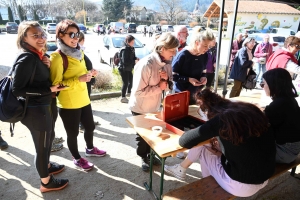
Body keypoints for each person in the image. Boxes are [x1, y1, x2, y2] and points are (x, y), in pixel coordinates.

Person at [164, 89, 276, 197]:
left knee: (203, 147)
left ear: (206, 110)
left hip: (242, 185)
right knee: (211, 146)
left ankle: (207, 189)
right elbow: (247, 144)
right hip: (265, 176)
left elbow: (184, 141)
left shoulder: (221, 119)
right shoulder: (249, 109)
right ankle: (182, 169)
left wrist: (200, 130)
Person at [12, 21, 68, 192]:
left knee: (48, 141)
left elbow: (37, 80)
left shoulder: (36, 56)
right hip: (36, 112)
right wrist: (49, 89)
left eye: (42, 34)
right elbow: (18, 90)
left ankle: (48, 166)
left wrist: (47, 67)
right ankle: (46, 182)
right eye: (35, 35)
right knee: (42, 147)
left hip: (44, 107)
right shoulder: (26, 57)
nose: (41, 38)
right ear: (24, 38)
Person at [50, 19, 106, 172]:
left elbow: (81, 75)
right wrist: (78, 79)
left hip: (84, 99)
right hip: (68, 103)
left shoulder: (79, 51)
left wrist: (90, 74)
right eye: (72, 34)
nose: (75, 38)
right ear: (61, 35)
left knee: (90, 127)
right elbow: (56, 85)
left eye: (78, 34)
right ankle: (76, 158)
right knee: (73, 133)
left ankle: (89, 149)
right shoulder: (57, 57)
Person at [128, 33, 179, 171]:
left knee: (154, 133)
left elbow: (169, 85)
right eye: (172, 50)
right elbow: (137, 93)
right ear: (162, 48)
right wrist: (159, 87)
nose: (175, 53)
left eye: (176, 49)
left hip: (155, 106)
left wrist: (165, 81)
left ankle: (151, 155)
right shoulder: (146, 64)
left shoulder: (167, 63)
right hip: (140, 106)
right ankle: (143, 157)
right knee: (143, 135)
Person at [262, 68, 300, 163]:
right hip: (293, 150)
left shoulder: (278, 105)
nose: (263, 87)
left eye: (264, 84)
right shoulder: (290, 100)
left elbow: (260, 125)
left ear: (273, 85)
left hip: (283, 153)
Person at [172, 28, 215, 105]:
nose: (207, 48)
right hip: (181, 94)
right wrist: (188, 79)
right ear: (197, 43)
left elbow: (203, 71)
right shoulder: (183, 55)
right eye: (205, 45)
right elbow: (172, 76)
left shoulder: (204, 55)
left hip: (196, 94)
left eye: (209, 46)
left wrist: (204, 77)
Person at [78, 32, 100, 131]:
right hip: (81, 83)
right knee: (82, 104)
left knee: (86, 103)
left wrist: (92, 72)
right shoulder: (76, 53)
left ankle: (88, 121)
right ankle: (82, 124)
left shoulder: (80, 52)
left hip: (87, 82)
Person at [119, 35, 139, 103]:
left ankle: (129, 93)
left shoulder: (132, 48)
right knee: (125, 83)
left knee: (131, 81)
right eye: (132, 41)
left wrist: (136, 59)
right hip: (123, 68)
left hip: (129, 68)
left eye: (133, 41)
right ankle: (123, 97)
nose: (133, 43)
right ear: (128, 41)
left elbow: (132, 57)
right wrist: (134, 61)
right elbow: (125, 61)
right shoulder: (124, 49)